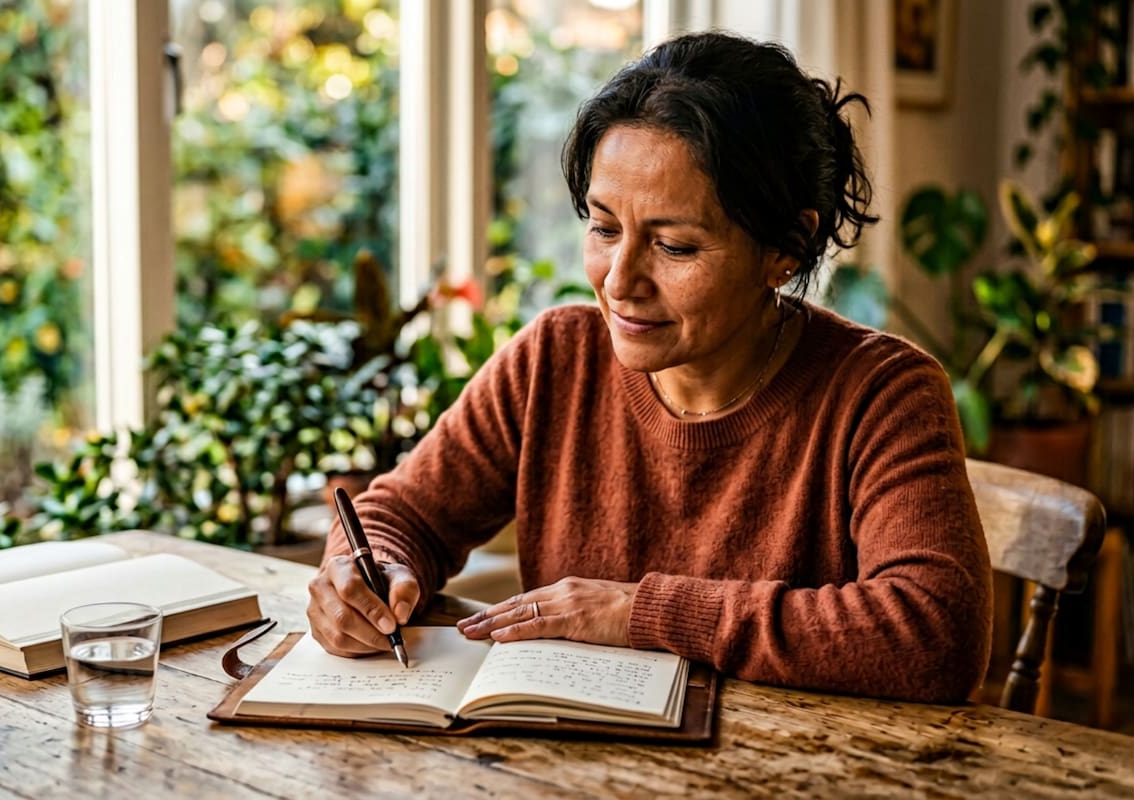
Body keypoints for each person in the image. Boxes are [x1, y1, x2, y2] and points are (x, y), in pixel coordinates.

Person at [308, 30, 992, 703]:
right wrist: (364, 571)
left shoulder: (882, 395)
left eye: (674, 246)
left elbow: (935, 632)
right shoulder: (555, 360)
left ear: (787, 246)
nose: (619, 281)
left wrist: (643, 614)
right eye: (604, 228)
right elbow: (404, 515)